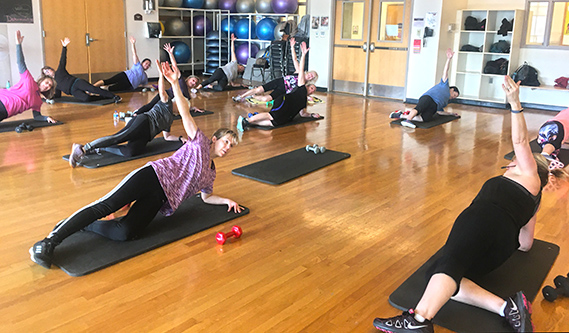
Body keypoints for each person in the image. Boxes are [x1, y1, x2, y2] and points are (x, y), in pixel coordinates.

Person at [373, 75, 568, 333]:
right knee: (441, 271)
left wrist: (515, 104)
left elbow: (520, 142)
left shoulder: (528, 174)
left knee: (447, 268)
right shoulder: (535, 199)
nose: (512, 163)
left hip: (482, 221)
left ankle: (418, 320)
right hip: (497, 249)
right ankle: (507, 307)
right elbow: (525, 245)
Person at [30, 60, 242, 269]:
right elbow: (185, 112)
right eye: (225, 141)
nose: (227, 147)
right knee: (107, 205)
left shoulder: (211, 174)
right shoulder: (199, 142)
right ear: (215, 139)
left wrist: (226, 201)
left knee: (126, 233)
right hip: (152, 176)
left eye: (231, 146)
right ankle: (49, 241)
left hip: (160, 198)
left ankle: (87, 225)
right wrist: (176, 83)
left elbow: (206, 196)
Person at [68, 59, 187, 167]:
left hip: (146, 136)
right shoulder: (167, 104)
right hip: (144, 122)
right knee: (118, 138)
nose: (181, 108)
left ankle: (100, 148)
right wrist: (161, 74)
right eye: (182, 105)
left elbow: (167, 137)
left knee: (130, 152)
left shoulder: (170, 119)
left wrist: (181, 138)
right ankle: (83, 148)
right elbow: (162, 91)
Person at [236, 41, 320, 131]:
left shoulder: (304, 98)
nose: (312, 91)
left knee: (274, 122)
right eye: (312, 88)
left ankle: (251, 119)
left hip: (284, 95)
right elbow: (298, 63)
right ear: (307, 86)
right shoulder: (301, 84)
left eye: (313, 91)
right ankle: (247, 118)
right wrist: (303, 54)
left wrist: (312, 115)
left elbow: (303, 113)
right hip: (282, 92)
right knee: (271, 115)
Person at [232, 37, 318, 103]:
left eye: (312, 77)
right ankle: (240, 97)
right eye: (311, 74)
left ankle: (252, 97)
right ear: (309, 72)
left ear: (311, 79)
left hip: (283, 90)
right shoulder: (299, 71)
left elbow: (302, 95)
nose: (310, 76)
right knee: (258, 89)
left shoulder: (304, 84)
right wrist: (292, 47)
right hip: (280, 82)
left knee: (266, 99)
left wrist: (308, 98)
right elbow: (295, 59)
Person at [389, 48, 460, 129]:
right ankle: (407, 121)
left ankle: (400, 115)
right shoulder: (444, 85)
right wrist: (449, 59)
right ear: (451, 89)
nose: (453, 97)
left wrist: (452, 114)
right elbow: (445, 72)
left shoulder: (445, 102)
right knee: (419, 109)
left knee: (424, 119)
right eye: (454, 94)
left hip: (434, 106)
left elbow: (440, 112)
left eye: (455, 97)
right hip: (429, 98)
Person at [0, 30, 57, 123]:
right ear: (41, 80)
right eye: (47, 83)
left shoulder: (38, 101)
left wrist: (46, 118)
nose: (47, 86)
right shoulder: (29, 80)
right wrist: (18, 44)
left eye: (50, 86)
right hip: (2, 100)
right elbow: (20, 62)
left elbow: (37, 116)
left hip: (6, 112)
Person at [42, 37, 121, 103]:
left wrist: (64, 47)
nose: (48, 72)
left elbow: (63, 60)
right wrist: (48, 98)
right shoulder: (54, 84)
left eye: (48, 70)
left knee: (92, 89)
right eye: (46, 73)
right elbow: (58, 95)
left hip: (77, 83)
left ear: (51, 69)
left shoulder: (60, 71)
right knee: (86, 99)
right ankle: (104, 97)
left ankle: (114, 96)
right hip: (73, 91)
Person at [134, 43, 202, 114]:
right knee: (151, 106)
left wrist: (193, 108)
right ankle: (136, 113)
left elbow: (183, 105)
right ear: (188, 79)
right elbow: (174, 65)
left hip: (169, 104)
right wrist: (170, 54)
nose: (194, 83)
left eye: (195, 83)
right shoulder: (180, 80)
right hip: (164, 95)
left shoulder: (188, 95)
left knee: (155, 111)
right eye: (193, 80)